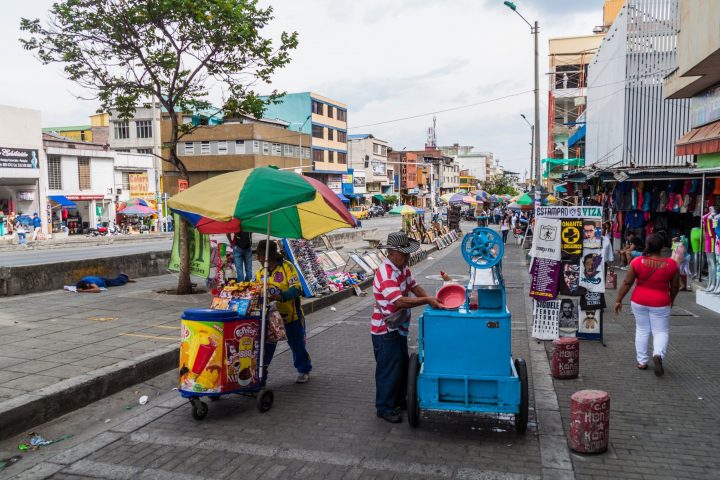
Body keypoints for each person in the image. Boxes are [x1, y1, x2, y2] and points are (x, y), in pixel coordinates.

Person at [372, 232, 446, 423]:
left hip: (398, 327)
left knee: (401, 365)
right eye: (403, 254)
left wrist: (432, 300)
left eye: (407, 253)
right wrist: (428, 300)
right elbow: (400, 301)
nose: (407, 257)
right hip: (384, 330)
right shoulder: (386, 273)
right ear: (391, 253)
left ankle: (398, 400)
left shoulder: (403, 269)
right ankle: (384, 407)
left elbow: (414, 286)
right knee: (388, 368)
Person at [614, 234, 679, 376]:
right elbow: (675, 287)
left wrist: (618, 300)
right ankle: (658, 354)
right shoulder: (672, 264)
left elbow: (627, 283)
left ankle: (642, 361)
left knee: (642, 330)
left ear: (647, 245)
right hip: (661, 302)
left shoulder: (637, 262)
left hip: (639, 301)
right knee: (660, 331)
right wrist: (671, 300)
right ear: (662, 247)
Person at [255, 239, 312, 384]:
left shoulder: (287, 267)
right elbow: (255, 290)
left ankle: (303, 370)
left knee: (297, 345)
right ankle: (261, 376)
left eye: (260, 256)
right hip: (271, 319)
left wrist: (281, 296)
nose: (258, 259)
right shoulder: (260, 273)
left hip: (291, 316)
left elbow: (297, 288)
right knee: (266, 348)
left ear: (267, 256)